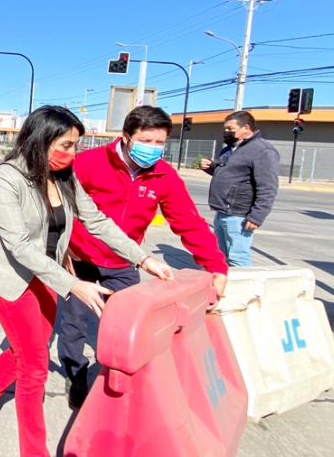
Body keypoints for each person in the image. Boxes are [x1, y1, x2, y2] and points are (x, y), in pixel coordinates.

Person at [0, 106, 173, 457]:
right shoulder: (6, 178)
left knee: (26, 353)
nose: (73, 153)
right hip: (12, 283)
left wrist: (145, 259)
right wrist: (74, 284)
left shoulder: (65, 176)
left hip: (49, 278)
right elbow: (18, 246)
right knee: (35, 368)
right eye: (66, 145)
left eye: (76, 145)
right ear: (40, 140)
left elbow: (99, 222)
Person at [58, 105, 229, 408]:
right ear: (126, 136)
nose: (153, 148)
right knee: (74, 323)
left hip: (124, 261)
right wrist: (64, 246)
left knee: (129, 325)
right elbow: (58, 204)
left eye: (159, 142)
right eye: (146, 141)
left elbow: (189, 223)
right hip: (79, 257)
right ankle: (75, 374)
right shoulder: (89, 163)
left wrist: (216, 266)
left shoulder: (164, 175)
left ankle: (118, 377)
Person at [199, 110, 280, 267]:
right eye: (225, 129)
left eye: (230, 129)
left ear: (246, 128)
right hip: (222, 211)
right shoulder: (230, 148)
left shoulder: (262, 150)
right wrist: (211, 167)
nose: (226, 132)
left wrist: (257, 216)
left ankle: (244, 283)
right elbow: (230, 174)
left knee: (238, 258)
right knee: (220, 256)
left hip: (239, 215)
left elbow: (268, 187)